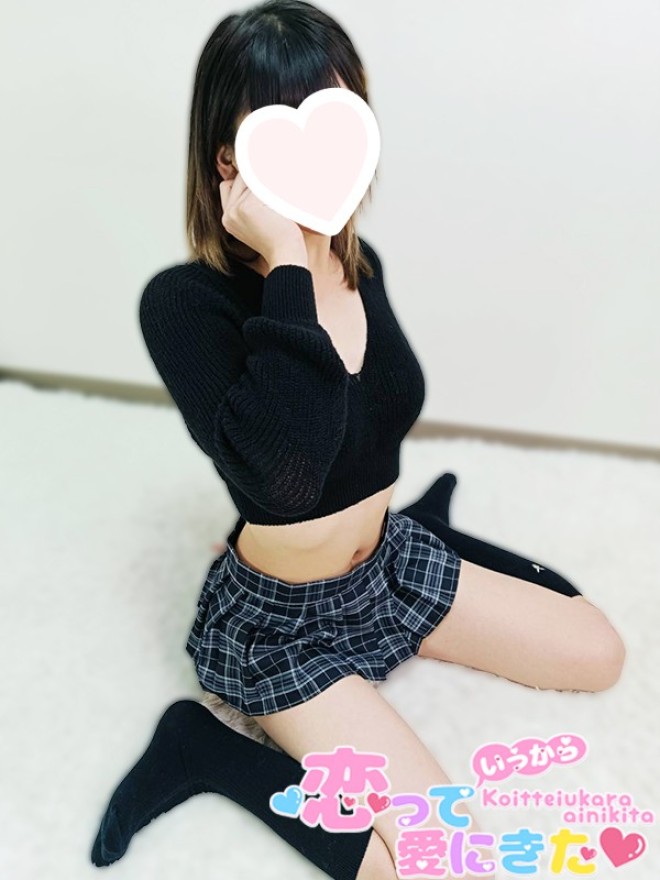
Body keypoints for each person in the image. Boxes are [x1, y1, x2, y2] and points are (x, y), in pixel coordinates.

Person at [90, 2, 626, 878]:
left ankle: (429, 531)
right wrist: (287, 264)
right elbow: (286, 477)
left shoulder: (359, 262)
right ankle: (205, 748)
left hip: (387, 568)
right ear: (227, 161)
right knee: (438, 862)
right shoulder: (183, 305)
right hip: (282, 626)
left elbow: (377, 416)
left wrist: (415, 543)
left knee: (598, 653)